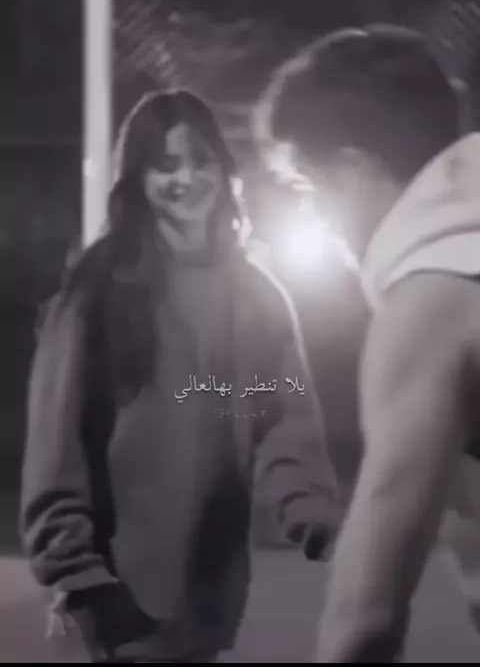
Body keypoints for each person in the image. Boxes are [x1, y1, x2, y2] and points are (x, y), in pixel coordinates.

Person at [20, 89, 338, 664]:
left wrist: (309, 509)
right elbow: (55, 435)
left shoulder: (257, 296)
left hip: (210, 597)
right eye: (165, 165)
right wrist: (71, 563)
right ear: (137, 179)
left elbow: (284, 415)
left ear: (223, 168)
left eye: (200, 160)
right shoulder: (99, 288)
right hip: (113, 596)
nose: (186, 178)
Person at [258, 23, 480, 662]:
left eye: (308, 190)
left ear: (356, 171)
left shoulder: (432, 302)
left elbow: (365, 616)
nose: (314, 219)